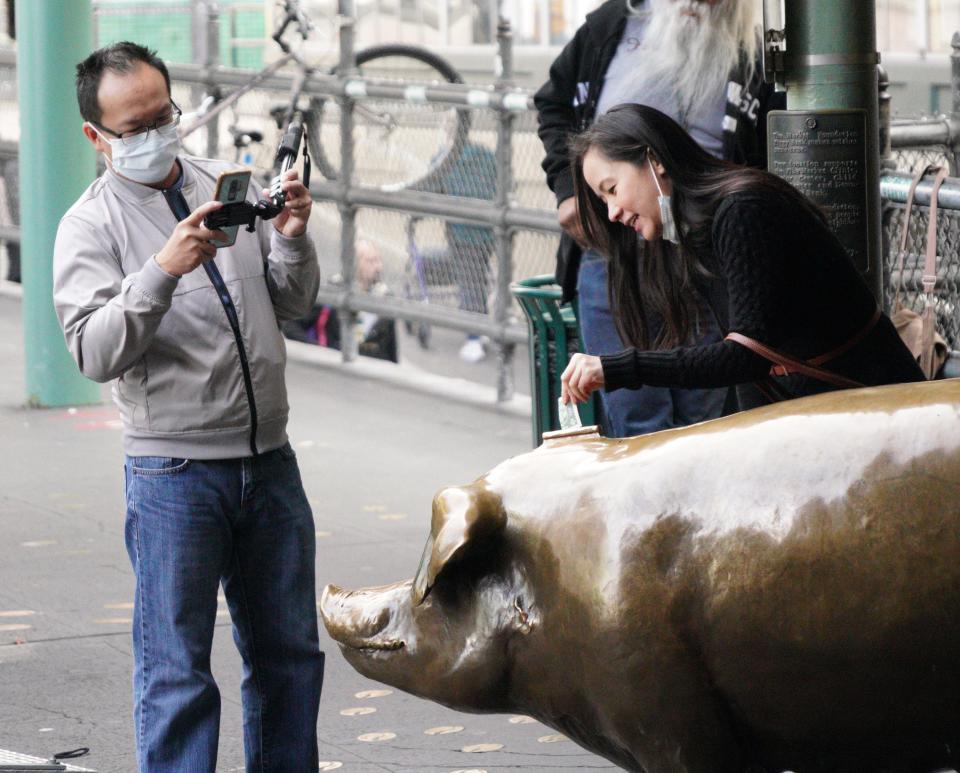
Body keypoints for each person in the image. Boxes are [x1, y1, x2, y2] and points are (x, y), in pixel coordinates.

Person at [52, 42, 324, 772]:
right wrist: (160, 272)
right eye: (132, 127)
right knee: (176, 672)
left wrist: (292, 240)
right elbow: (93, 350)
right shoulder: (89, 225)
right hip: (173, 470)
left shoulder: (220, 183)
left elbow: (294, 306)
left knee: (290, 658)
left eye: (162, 116)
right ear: (96, 136)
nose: (153, 136)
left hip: (270, 458)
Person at [560, 104, 925, 409]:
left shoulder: (742, 211)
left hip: (877, 412)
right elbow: (750, 367)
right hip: (832, 415)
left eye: (611, 190)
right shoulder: (697, 230)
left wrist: (619, 368)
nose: (612, 212)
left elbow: (746, 356)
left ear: (654, 160)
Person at [534, 0, 782, 436]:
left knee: (698, 417)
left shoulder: (753, 53)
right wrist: (569, 190)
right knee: (635, 416)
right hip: (612, 249)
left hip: (700, 249)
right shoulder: (612, 24)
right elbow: (552, 102)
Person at [283, 239, 399, 362]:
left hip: (369, 374)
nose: (379, 267)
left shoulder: (384, 299)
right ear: (353, 263)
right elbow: (290, 326)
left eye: (379, 260)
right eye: (371, 261)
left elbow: (391, 351)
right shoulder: (333, 292)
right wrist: (320, 351)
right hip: (337, 370)